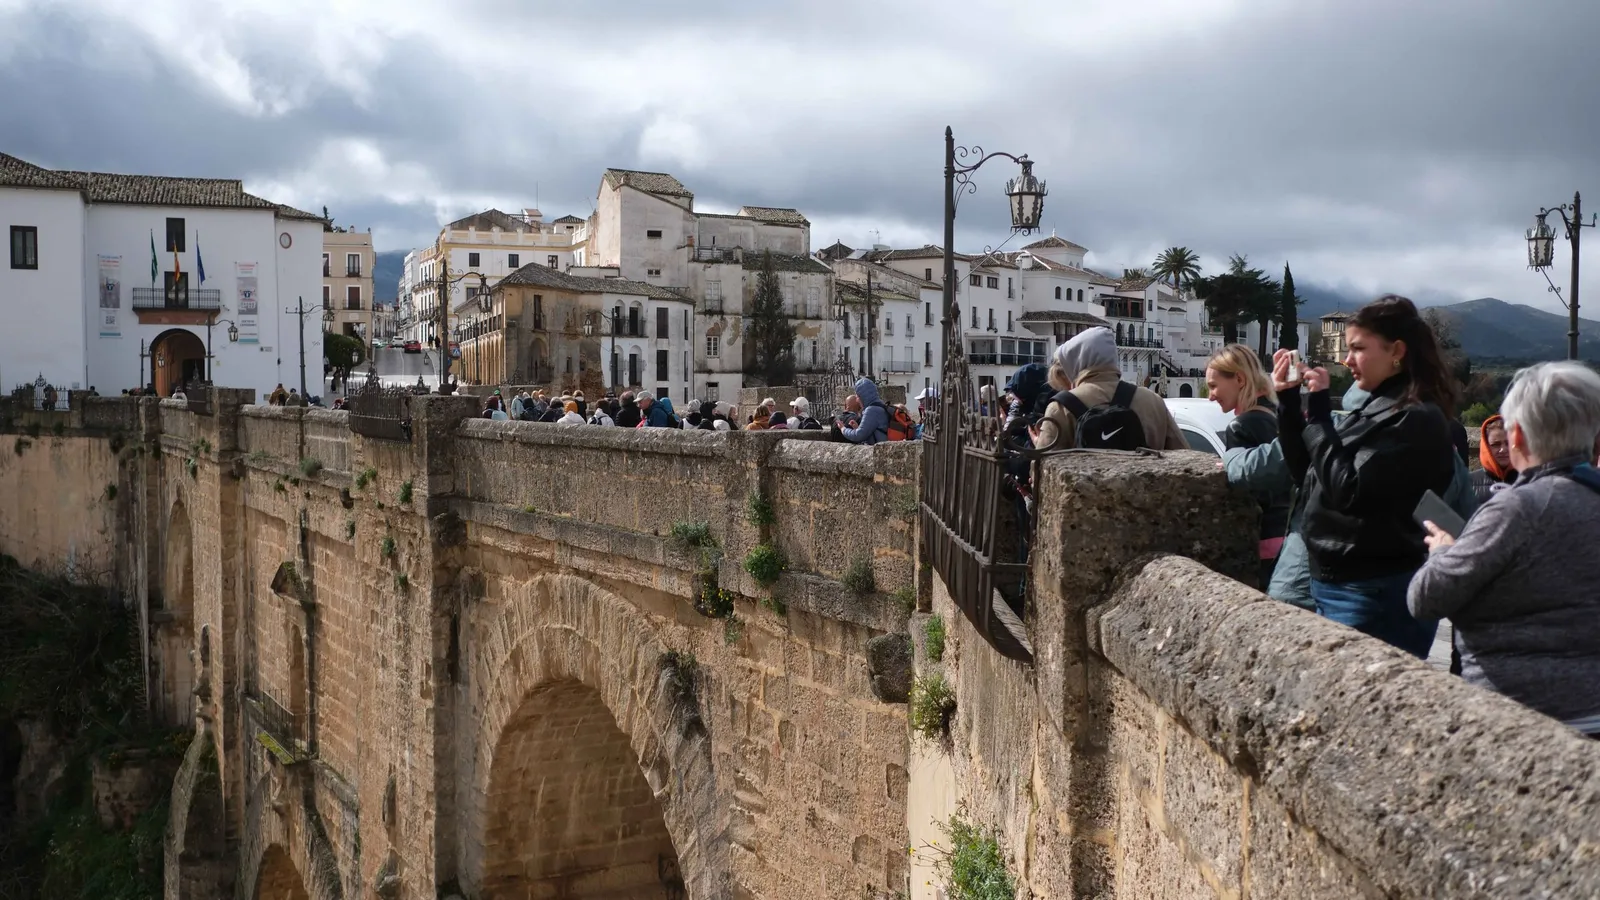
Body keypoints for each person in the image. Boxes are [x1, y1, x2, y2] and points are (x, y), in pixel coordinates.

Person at [1409, 362, 1600, 737]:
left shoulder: (1515, 508)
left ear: (1516, 438)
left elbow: (1426, 598)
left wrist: (1444, 551)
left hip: (1520, 721)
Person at [1275, 294, 1457, 658]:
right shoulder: (1378, 408)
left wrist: (1321, 418)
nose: (1347, 359)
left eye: (1358, 348)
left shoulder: (1413, 418)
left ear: (1397, 351)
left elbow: (1348, 490)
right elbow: (1310, 475)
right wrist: (1290, 402)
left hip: (1372, 593)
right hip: (1345, 587)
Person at [1207, 344, 1291, 589]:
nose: (1210, 395)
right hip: (1290, 536)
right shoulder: (1276, 413)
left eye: (1214, 386)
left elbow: (1250, 485)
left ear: (1240, 379)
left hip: (1265, 539)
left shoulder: (1240, 426)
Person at [1032, 327, 1185, 451]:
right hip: (1146, 488)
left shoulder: (1061, 408)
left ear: (1075, 366)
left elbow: (1041, 472)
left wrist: (1039, 444)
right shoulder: (1153, 401)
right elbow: (1183, 455)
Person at [1472, 414, 1516, 503]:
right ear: (1486, 447)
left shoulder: (1530, 480)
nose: (1503, 450)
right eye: (1496, 445)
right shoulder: (1468, 484)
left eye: (1508, 443)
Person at [838, 377, 890, 445]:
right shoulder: (880, 405)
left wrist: (843, 429)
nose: (857, 400)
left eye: (857, 396)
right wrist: (857, 428)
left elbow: (858, 436)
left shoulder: (872, 410)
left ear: (863, 397)